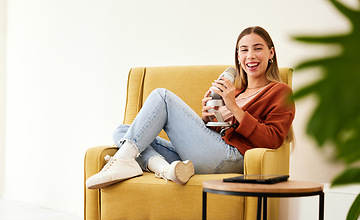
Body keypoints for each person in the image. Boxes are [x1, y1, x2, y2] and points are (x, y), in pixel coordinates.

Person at [86, 26, 295, 189]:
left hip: (232, 158)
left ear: (271, 53)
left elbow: (273, 139)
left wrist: (234, 107)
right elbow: (221, 133)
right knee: (122, 131)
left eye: (258, 48)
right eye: (244, 50)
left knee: (162, 96)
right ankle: (168, 171)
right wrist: (207, 120)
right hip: (208, 154)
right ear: (238, 58)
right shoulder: (236, 92)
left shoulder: (279, 91)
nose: (250, 55)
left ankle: (123, 161)